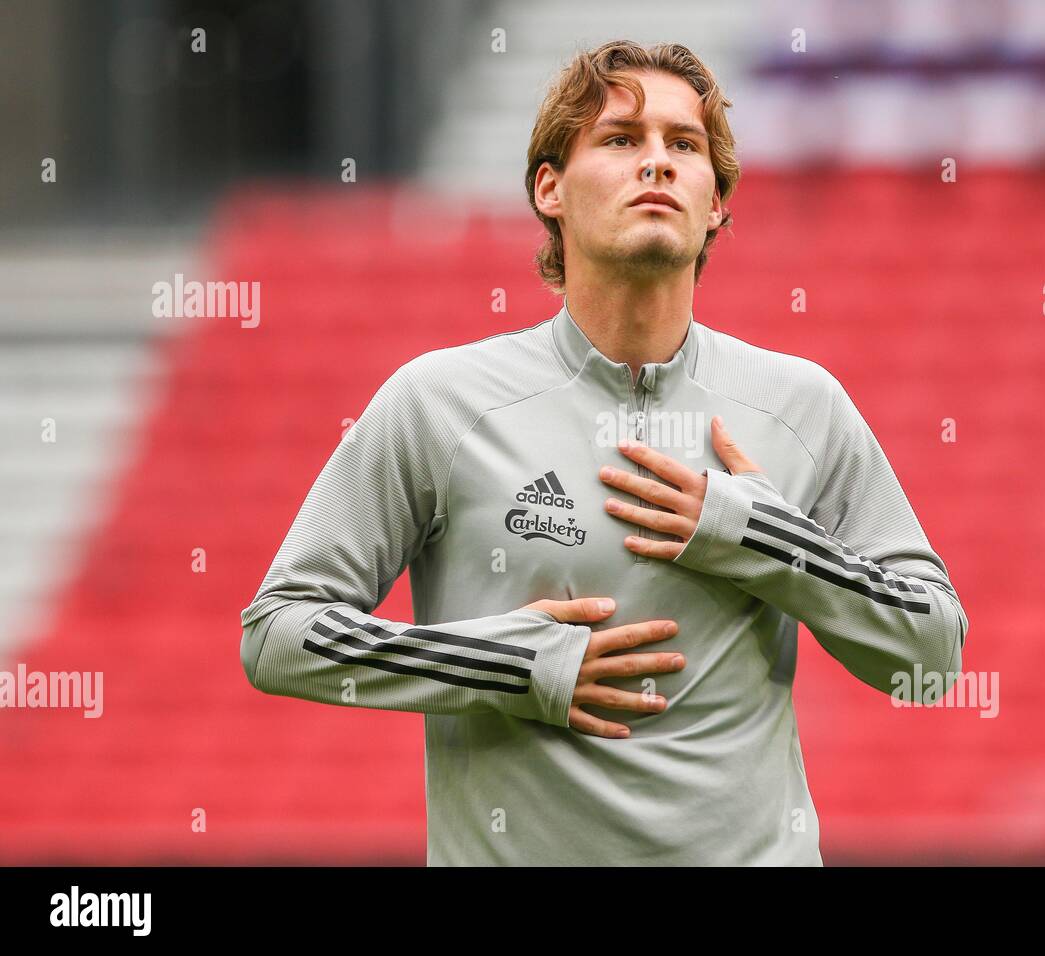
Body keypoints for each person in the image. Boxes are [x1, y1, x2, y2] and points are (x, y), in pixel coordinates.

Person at [239, 39, 969, 866]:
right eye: (621, 140)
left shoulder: (803, 405)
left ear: (717, 205)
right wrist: (506, 664)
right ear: (549, 187)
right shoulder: (437, 402)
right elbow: (277, 633)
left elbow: (934, 653)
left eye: (683, 146)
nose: (656, 162)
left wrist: (768, 540)